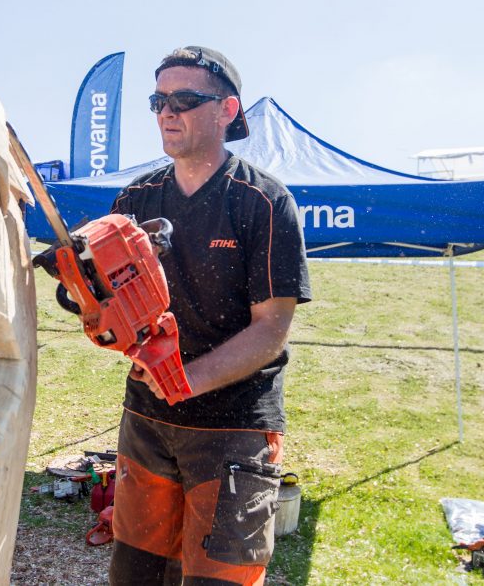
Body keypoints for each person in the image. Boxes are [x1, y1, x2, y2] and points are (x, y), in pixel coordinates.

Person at [107, 46, 311, 586]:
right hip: (148, 421)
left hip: (233, 427)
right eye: (158, 101)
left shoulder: (262, 200)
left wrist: (186, 380)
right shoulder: (136, 197)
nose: (166, 112)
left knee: (218, 580)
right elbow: (115, 302)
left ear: (227, 109)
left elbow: (270, 329)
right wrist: (88, 296)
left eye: (185, 99)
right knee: (137, 576)